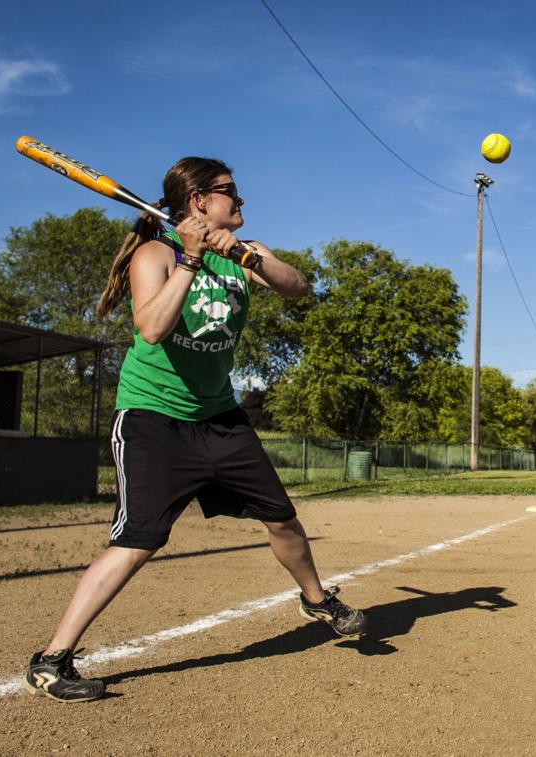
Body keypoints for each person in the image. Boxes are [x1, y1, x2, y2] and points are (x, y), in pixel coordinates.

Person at [24, 157, 366, 704]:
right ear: (197, 200)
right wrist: (190, 257)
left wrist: (245, 255)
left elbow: (300, 287)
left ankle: (317, 599)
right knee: (138, 540)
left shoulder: (246, 254)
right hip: (153, 418)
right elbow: (153, 329)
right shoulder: (154, 254)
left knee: (282, 518)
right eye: (230, 192)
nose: (241, 201)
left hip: (218, 417)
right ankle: (51, 659)